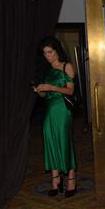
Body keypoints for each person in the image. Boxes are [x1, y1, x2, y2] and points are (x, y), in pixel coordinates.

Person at [34, 36, 77, 198]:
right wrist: (40, 91)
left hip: (63, 109)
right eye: (45, 53)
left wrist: (51, 87)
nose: (48, 56)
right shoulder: (45, 70)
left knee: (64, 141)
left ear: (57, 51)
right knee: (50, 141)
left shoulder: (67, 66)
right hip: (50, 110)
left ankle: (71, 180)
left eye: (50, 52)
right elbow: (45, 95)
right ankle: (55, 180)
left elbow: (70, 91)